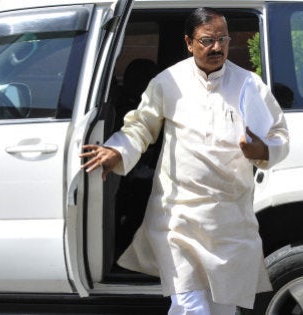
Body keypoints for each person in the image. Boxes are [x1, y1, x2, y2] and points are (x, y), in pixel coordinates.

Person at [80, 7, 289, 314]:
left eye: (223, 39)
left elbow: (279, 133)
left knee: (222, 310)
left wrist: (264, 150)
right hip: (178, 219)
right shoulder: (168, 82)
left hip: (230, 222)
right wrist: (117, 150)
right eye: (207, 40)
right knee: (191, 307)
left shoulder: (250, 85)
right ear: (189, 43)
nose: (216, 47)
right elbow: (140, 126)